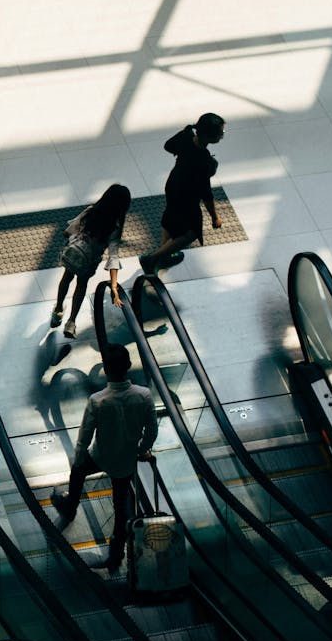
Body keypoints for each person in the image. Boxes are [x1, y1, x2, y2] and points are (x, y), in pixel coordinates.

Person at [49, 343, 158, 573]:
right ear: (128, 367)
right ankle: (116, 555)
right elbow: (152, 431)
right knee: (121, 507)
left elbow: (84, 437)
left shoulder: (98, 400)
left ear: (107, 371)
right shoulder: (144, 396)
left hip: (100, 456)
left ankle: (70, 507)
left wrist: (78, 459)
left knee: (78, 472)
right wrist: (141, 450)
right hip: (125, 461)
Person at [140, 112, 225, 275]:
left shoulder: (186, 135)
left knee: (170, 219)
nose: (222, 136)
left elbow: (168, 146)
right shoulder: (203, 160)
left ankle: (163, 256)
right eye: (220, 133)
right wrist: (215, 217)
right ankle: (152, 259)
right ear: (210, 135)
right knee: (191, 232)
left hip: (173, 185)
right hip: (187, 196)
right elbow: (206, 193)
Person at [52, 183, 131, 340]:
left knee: (66, 278)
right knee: (81, 285)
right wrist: (114, 284)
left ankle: (58, 310)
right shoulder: (115, 226)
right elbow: (113, 255)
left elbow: (68, 231)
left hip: (74, 255)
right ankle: (71, 322)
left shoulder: (91, 211)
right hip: (89, 261)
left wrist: (74, 239)